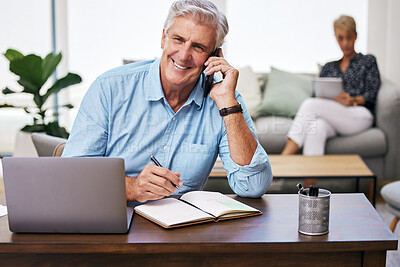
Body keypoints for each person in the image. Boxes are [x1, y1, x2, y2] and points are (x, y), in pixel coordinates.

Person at [62, 0, 273, 202]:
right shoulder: (109, 88)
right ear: (164, 38)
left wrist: (229, 106)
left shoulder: (226, 100)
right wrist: (132, 188)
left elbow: (253, 186)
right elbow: (72, 177)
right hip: (117, 222)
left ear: (214, 55)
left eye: (198, 47)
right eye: (178, 39)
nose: (183, 55)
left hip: (183, 230)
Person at [281, 15, 381, 156]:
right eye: (341, 38)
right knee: (316, 128)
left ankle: (281, 163)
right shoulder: (329, 67)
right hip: (333, 116)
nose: (345, 43)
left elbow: (372, 93)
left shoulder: (368, 61)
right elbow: (317, 96)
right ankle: (310, 178)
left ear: (356, 36)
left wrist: (353, 100)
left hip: (359, 114)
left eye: (349, 37)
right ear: (335, 37)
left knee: (310, 105)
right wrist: (330, 100)